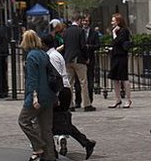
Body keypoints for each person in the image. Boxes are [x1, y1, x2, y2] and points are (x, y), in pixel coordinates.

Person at [45, 35, 96, 159]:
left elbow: (55, 77)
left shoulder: (52, 56)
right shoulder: (56, 55)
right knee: (62, 121)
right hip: (64, 90)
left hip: (61, 91)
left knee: (50, 121)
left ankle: (52, 150)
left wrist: (55, 95)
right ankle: (85, 142)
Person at [17, 30, 57, 161]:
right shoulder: (43, 54)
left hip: (37, 96)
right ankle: (50, 156)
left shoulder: (31, 56)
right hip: (48, 95)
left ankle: (39, 145)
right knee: (46, 129)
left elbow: (32, 79)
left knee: (23, 120)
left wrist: (34, 97)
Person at [61, 16, 93, 111]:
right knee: (83, 82)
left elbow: (65, 45)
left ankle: (70, 105)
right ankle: (86, 104)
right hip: (78, 59)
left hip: (68, 59)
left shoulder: (66, 31)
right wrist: (86, 58)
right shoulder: (80, 31)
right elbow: (83, 46)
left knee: (69, 83)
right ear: (78, 20)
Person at [108, 13, 132, 108]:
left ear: (118, 21)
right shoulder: (117, 31)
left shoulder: (123, 31)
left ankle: (128, 99)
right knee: (115, 78)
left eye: (113, 21)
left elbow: (116, 42)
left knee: (124, 78)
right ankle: (117, 99)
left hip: (121, 57)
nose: (112, 23)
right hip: (115, 56)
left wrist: (114, 34)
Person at [81, 15, 101, 107]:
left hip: (91, 59)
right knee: (79, 82)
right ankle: (79, 101)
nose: (85, 22)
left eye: (87, 21)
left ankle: (89, 100)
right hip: (80, 60)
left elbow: (98, 45)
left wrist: (89, 46)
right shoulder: (79, 32)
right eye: (84, 21)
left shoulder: (94, 33)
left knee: (90, 80)